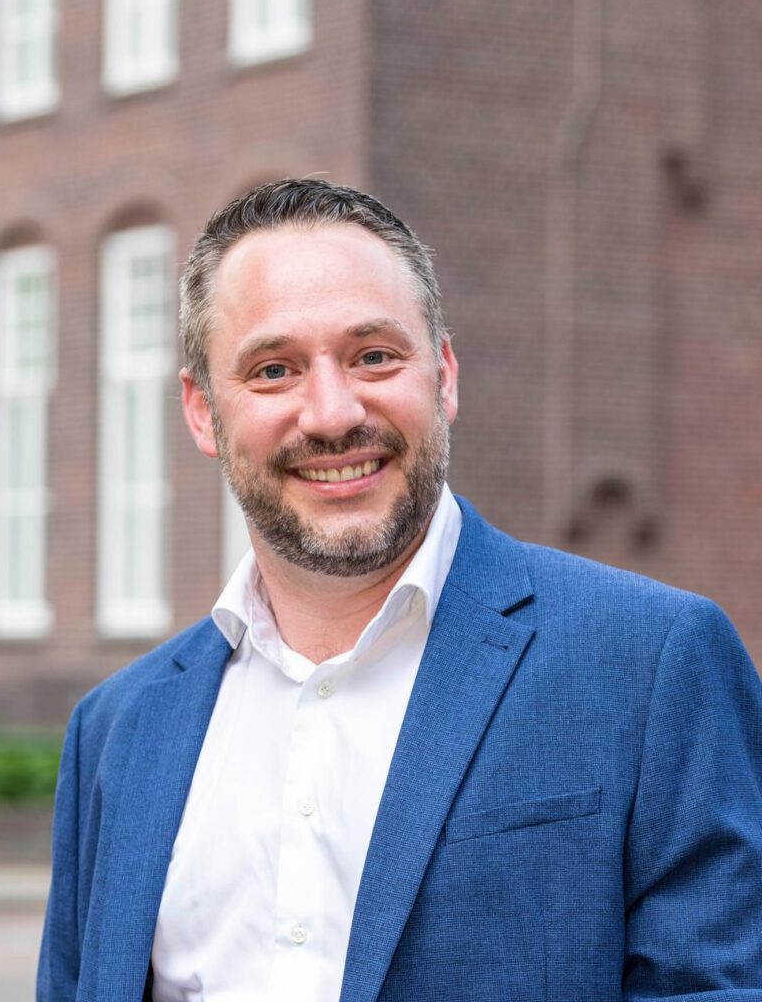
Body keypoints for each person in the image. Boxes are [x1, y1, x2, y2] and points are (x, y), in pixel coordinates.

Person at [37, 178, 762, 1002]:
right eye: (274, 370)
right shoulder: (116, 731)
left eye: (374, 356)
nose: (332, 413)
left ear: (443, 375)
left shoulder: (651, 665)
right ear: (203, 412)